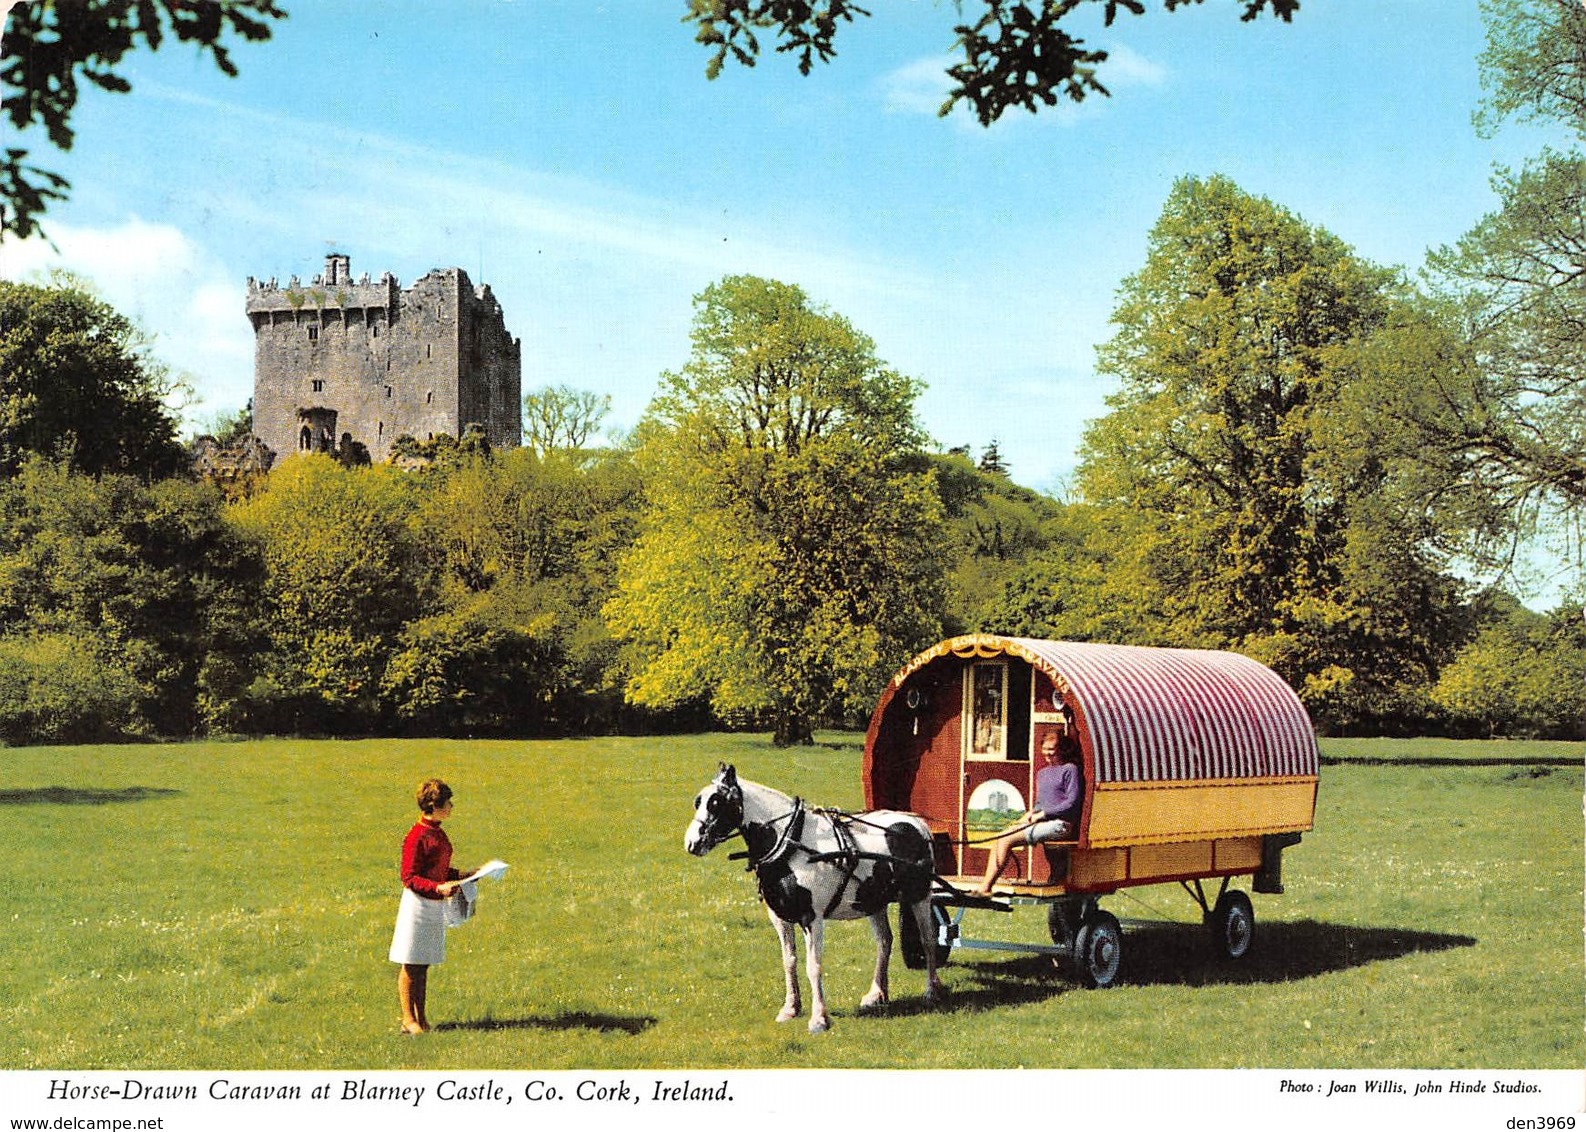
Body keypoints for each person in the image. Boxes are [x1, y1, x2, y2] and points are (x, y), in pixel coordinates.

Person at [388, 778, 470, 1034]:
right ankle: (407, 1019)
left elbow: (438, 868)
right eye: (448, 802)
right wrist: (437, 887)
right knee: (411, 963)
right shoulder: (416, 836)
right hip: (417, 905)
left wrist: (463, 874)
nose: (452, 806)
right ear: (435, 805)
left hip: (434, 903)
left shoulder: (438, 831)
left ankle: (421, 1018)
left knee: (423, 964)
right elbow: (409, 877)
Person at [973, 713, 1083, 895]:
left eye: (1052, 749)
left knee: (1006, 839)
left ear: (1061, 749)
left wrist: (1043, 814)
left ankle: (985, 889)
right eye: (1045, 749)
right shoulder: (1042, 773)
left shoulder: (1069, 770)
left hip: (1061, 825)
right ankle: (985, 887)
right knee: (1002, 836)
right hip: (1043, 821)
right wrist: (1027, 816)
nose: (1048, 753)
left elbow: (1072, 803)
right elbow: (1040, 803)